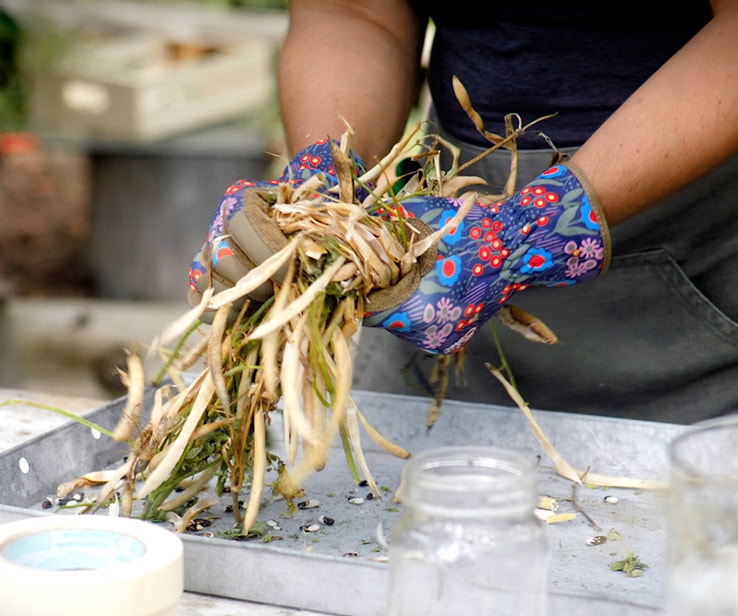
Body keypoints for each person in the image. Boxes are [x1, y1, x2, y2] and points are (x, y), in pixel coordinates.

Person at [191, 0, 738, 424]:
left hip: (694, 231)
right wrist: (321, 192)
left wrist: (539, 225)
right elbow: (353, 13)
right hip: (444, 240)